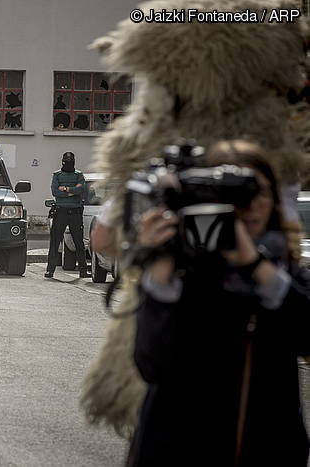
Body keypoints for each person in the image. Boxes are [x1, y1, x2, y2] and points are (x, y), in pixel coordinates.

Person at [127, 140, 310, 467]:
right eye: (238, 195)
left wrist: (256, 265)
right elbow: (151, 364)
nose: (252, 205)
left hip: (270, 448)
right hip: (177, 448)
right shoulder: (184, 269)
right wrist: (160, 273)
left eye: (261, 192)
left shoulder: (283, 267)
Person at [45, 152, 88, 278]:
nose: (68, 163)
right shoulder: (57, 175)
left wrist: (65, 189)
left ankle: (83, 271)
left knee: (79, 243)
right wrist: (72, 191)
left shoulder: (78, 175)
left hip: (75, 212)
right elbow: (54, 191)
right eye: (67, 161)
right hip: (61, 211)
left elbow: (81, 190)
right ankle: (50, 270)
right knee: (55, 242)